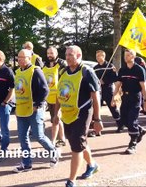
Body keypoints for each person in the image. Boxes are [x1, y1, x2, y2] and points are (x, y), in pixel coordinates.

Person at [54, 45, 103, 187]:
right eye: (66, 54)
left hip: (82, 113)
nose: (68, 57)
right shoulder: (63, 71)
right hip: (67, 114)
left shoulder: (87, 72)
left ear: (79, 55)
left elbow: (96, 97)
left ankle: (71, 180)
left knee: (75, 147)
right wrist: (56, 112)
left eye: (71, 54)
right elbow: (59, 93)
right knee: (79, 143)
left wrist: (97, 119)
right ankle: (92, 165)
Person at [13, 49, 58, 173]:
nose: (20, 59)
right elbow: (16, 90)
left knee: (39, 136)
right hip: (21, 110)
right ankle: (27, 164)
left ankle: (53, 152)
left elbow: (45, 90)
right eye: (19, 57)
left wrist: (37, 105)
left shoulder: (35, 71)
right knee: (23, 137)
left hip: (34, 110)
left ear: (29, 58)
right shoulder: (17, 72)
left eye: (23, 57)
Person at [111, 49, 146, 155]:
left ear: (133, 56)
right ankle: (139, 130)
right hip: (125, 97)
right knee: (124, 120)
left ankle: (133, 144)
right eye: (125, 55)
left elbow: (143, 87)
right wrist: (113, 97)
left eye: (128, 55)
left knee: (132, 120)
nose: (125, 57)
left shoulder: (139, 70)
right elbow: (118, 85)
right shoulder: (122, 70)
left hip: (135, 97)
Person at [42, 46, 67, 147]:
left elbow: (66, 79)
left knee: (55, 119)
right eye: (48, 53)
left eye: (51, 53)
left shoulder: (62, 64)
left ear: (56, 53)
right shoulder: (44, 65)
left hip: (59, 97)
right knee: (56, 118)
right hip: (48, 97)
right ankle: (62, 139)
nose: (49, 55)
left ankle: (52, 141)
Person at [93, 50, 122, 133]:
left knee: (113, 108)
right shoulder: (95, 68)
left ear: (103, 56)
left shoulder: (110, 66)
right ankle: (97, 129)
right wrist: (97, 81)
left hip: (108, 90)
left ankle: (120, 124)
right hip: (98, 91)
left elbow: (114, 78)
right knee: (96, 109)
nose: (98, 57)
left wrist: (105, 81)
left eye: (99, 56)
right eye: (97, 56)